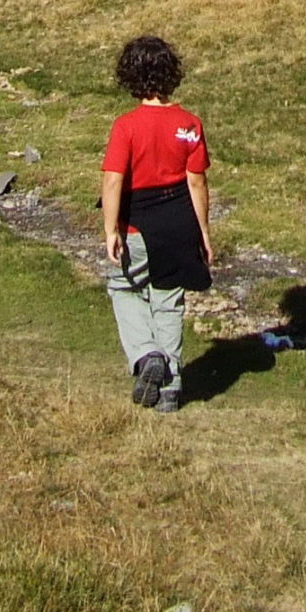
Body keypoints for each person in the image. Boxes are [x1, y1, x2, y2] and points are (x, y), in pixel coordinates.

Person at [100, 33, 213, 412]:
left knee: (125, 288)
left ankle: (147, 355)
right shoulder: (190, 124)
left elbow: (113, 179)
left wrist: (110, 229)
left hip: (138, 226)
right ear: (171, 74)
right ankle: (172, 388)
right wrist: (204, 235)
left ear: (130, 77)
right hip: (180, 224)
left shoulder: (126, 126)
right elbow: (196, 182)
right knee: (169, 300)